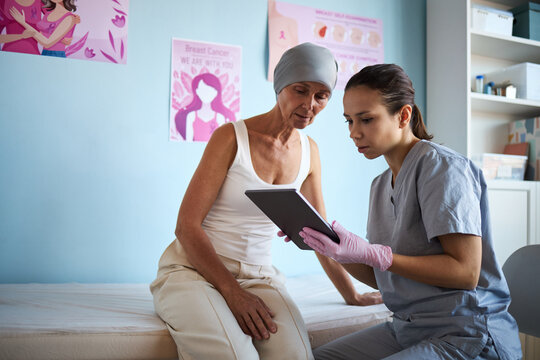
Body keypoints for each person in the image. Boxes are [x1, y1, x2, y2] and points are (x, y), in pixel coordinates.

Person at [150, 43, 382, 360]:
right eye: (300, 90)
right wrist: (232, 293)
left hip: (259, 278)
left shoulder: (309, 151)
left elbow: (320, 235)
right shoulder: (230, 137)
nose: (309, 104)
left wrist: (352, 294)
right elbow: (186, 227)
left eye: (321, 96)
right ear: (280, 86)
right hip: (193, 272)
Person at [297, 64, 522, 359]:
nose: (354, 132)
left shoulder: (442, 168)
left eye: (366, 119)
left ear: (403, 116)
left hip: (465, 332)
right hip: (408, 327)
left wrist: (380, 255)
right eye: (349, 121)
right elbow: (387, 279)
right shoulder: (380, 185)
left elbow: (466, 272)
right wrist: (333, 249)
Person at [174, 72, 236, 142]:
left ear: (216, 93)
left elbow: (221, 142)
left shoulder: (220, 117)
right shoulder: (191, 116)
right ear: (197, 91)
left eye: (210, 90)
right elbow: (189, 141)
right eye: (203, 90)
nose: (206, 94)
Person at [9, 0, 78, 58]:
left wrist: (23, 23)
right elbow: (41, 36)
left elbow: (47, 43)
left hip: (57, 55)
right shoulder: (48, 14)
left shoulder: (69, 18)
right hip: (44, 53)